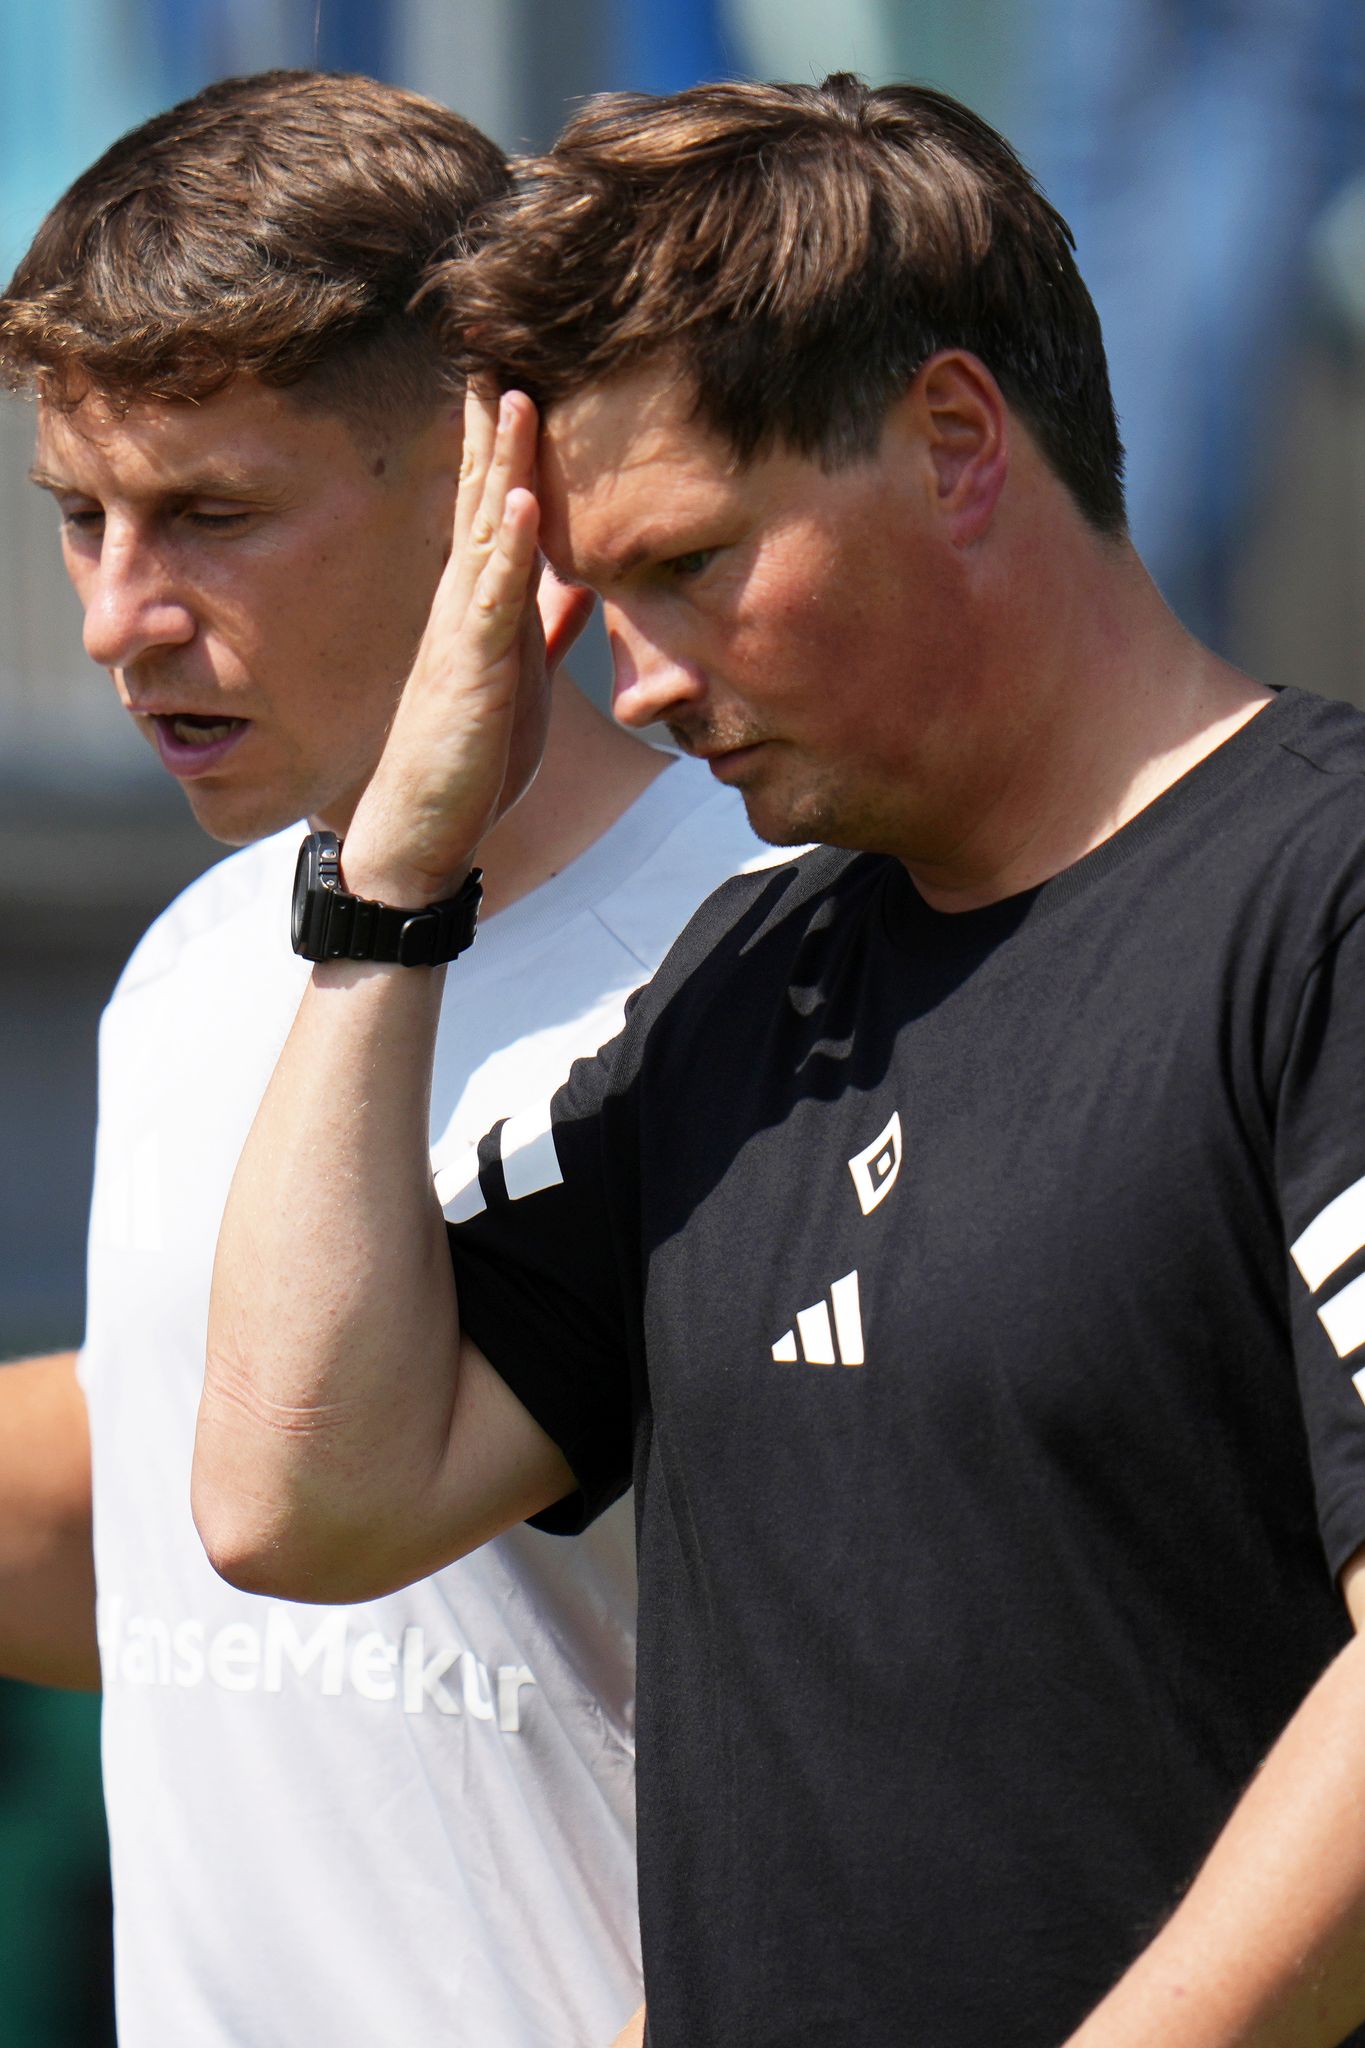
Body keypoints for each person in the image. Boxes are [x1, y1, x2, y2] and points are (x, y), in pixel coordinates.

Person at [196, 74, 1365, 2048]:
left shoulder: (1319, 898)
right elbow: (298, 1495)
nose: (636, 679)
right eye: (594, 598)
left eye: (690, 562)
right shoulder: (753, 983)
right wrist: (394, 873)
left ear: (953, 441)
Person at [0, 69, 775, 2048]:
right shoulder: (194, 961)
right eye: (79, 517)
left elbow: (928, 1743)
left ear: (485, 484)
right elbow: (163, 1552)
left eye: (209, 516)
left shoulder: (778, 968)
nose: (113, 617)